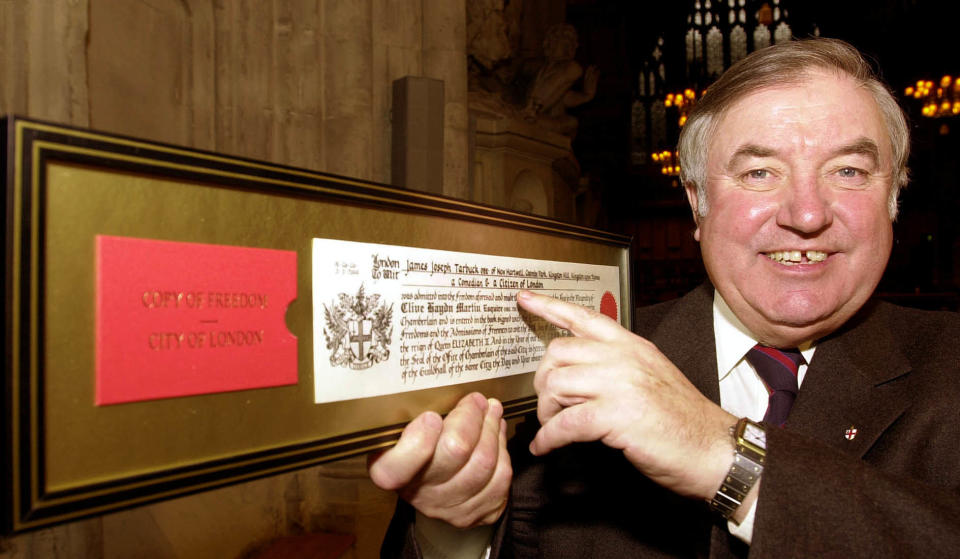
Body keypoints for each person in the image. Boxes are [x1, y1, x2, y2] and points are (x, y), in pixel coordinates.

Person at [368, 38, 960, 557]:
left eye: (849, 171)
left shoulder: (949, 366)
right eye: (759, 173)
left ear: (893, 200)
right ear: (697, 204)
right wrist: (459, 528)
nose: (806, 214)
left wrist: (730, 460)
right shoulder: (562, 367)